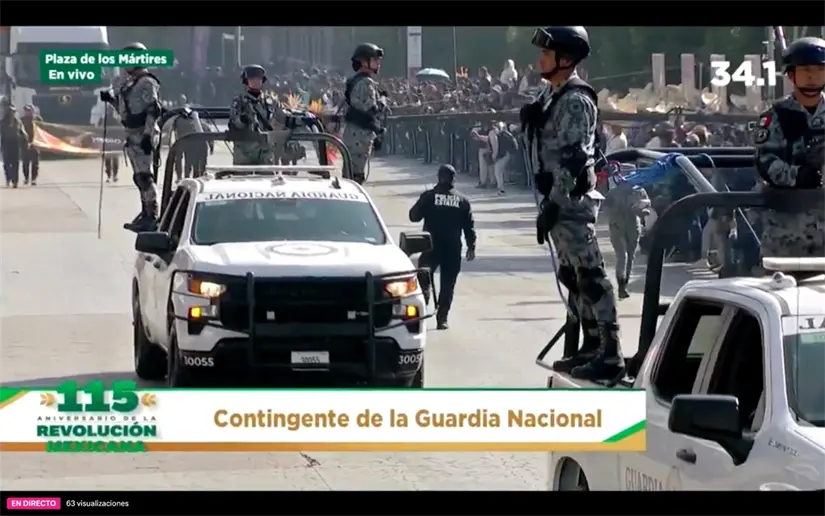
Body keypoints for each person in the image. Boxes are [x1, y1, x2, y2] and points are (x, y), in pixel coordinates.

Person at [521, 26, 624, 381]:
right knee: (573, 276)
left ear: (566, 59)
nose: (540, 59)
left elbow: (574, 158)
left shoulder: (576, 100)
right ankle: (591, 344)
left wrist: (554, 202)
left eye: (547, 53)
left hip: (571, 201)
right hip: (557, 200)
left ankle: (610, 352)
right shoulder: (552, 94)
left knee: (592, 277)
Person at [753, 36, 825, 258]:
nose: (812, 76)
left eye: (819, 69)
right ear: (792, 75)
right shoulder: (775, 116)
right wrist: (798, 175)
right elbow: (765, 161)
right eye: (805, 70)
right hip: (788, 229)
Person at [99, 42, 162, 233]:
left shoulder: (146, 82)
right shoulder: (129, 83)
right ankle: (145, 211)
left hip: (144, 133)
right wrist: (110, 100)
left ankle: (153, 215)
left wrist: (148, 135)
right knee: (138, 177)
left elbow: (154, 109)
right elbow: (124, 110)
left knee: (145, 177)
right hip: (132, 132)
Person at [409, 164, 477, 330]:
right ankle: (442, 319)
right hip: (452, 249)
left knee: (424, 281)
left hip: (430, 247)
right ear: (454, 179)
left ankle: (421, 316)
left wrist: (423, 201)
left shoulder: (429, 197)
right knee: (448, 285)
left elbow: (413, 217)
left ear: (438, 177)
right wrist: (471, 247)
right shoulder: (462, 200)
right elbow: (469, 227)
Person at [342, 43, 388, 184]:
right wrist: (383, 100)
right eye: (375, 60)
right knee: (356, 178)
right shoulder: (366, 82)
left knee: (350, 176)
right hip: (360, 138)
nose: (378, 63)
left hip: (354, 135)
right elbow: (371, 109)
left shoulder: (355, 81)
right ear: (364, 62)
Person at [228, 64, 288, 166]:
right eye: (252, 79)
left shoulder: (271, 101)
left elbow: (281, 120)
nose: (256, 81)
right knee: (241, 180)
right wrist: (244, 120)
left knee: (267, 179)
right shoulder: (239, 102)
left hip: (266, 152)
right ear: (246, 81)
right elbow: (234, 122)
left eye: (259, 79)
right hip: (244, 152)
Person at [604, 176, 650, 299]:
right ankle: (621, 286)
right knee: (622, 255)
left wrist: (641, 210)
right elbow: (605, 209)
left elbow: (646, 205)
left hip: (633, 226)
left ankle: (624, 284)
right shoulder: (612, 193)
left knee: (630, 257)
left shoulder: (639, 191)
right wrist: (616, 212)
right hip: (617, 226)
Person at [1, 101, 27, 188]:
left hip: (15, 143)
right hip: (6, 143)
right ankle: (8, 178)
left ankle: (15, 181)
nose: (11, 114)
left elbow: (23, 132)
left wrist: (25, 139)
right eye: (10, 112)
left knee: (15, 163)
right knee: (6, 163)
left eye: (13, 112)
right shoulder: (2, 123)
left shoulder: (18, 122)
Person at [20, 105, 40, 186]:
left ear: (32, 111)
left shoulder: (38, 119)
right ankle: (26, 178)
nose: (27, 112)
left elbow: (42, 130)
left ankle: (33, 179)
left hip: (35, 143)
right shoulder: (21, 120)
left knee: (35, 163)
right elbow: (19, 132)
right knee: (25, 163)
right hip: (25, 144)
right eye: (26, 110)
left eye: (29, 110)